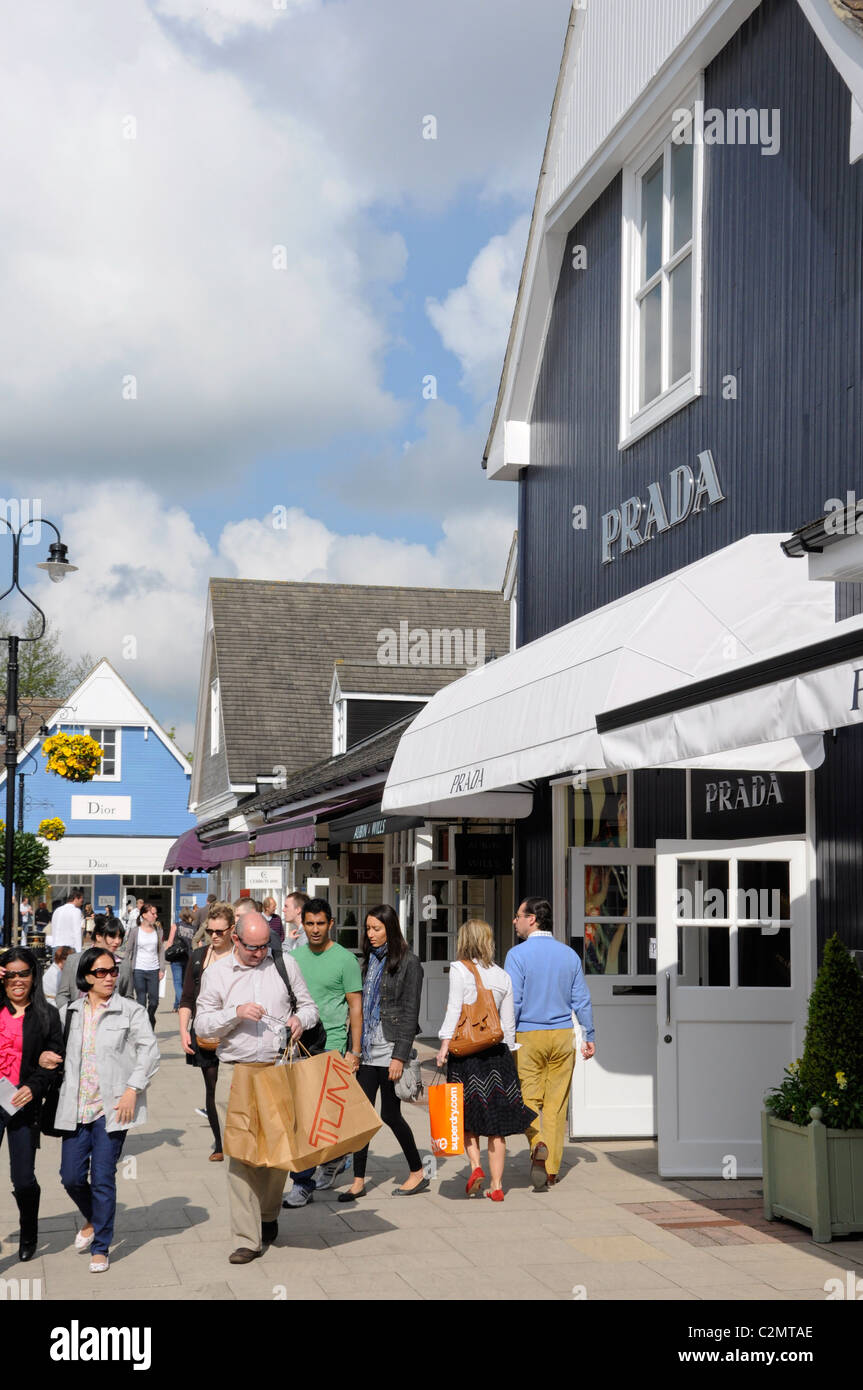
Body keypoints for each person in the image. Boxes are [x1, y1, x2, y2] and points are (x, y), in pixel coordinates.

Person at [194, 911, 318, 1264]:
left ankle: (267, 1214)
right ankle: (247, 1238)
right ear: (235, 938)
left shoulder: (284, 964)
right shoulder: (217, 973)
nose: (259, 953)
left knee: (278, 1153)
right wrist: (235, 1012)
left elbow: (310, 1007)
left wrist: (300, 1020)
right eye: (252, 948)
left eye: (265, 946)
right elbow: (203, 1024)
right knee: (242, 1155)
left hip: (280, 1070)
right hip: (238, 1072)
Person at [51, 946, 159, 1272]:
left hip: (112, 1109)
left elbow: (149, 1052)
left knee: (102, 1177)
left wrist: (132, 1090)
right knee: (70, 1176)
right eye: (101, 972)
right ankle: (94, 1218)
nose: (110, 977)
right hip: (75, 1106)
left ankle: (102, 1245)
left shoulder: (130, 1011)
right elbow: (47, 1047)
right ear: (86, 976)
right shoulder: (68, 1013)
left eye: (113, 971)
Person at [436, 920, 535, 1202]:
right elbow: (508, 1023)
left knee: (467, 1116)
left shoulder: (459, 969)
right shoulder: (503, 976)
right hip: (497, 1054)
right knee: (496, 1125)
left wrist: (444, 1044)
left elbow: (455, 1009)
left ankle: (476, 1167)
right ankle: (497, 1185)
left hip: (467, 1055)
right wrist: (509, 1054)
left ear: (464, 940)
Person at [504, 898, 596, 1191]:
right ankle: (553, 1169)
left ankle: (537, 1143)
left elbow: (514, 1001)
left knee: (528, 1099)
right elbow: (581, 999)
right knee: (556, 1105)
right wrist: (589, 1035)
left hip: (528, 1036)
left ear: (532, 919)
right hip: (562, 1034)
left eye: (518, 916)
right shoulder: (569, 955)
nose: (515, 921)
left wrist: (506, 1039)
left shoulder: (517, 955)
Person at [338, 904, 426, 1203]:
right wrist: (354, 1047)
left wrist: (400, 1056)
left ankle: (417, 1170)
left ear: (390, 928)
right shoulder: (367, 962)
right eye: (368, 928)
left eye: (376, 928)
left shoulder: (409, 963)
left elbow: (411, 1011)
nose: (370, 934)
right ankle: (358, 1180)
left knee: (390, 1114)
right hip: (365, 1049)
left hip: (389, 1049)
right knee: (362, 1116)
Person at [283, 897, 362, 1206]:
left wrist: (354, 1051)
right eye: (309, 924)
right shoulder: (293, 958)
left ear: (331, 924)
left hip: (333, 1046)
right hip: (301, 1044)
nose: (315, 930)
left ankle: (327, 1164)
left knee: (324, 1116)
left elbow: (355, 1008)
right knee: (302, 1118)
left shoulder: (345, 959)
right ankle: (305, 1181)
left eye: (320, 924)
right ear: (302, 925)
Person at [0, 946, 64, 1261]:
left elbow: (54, 1063)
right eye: (9, 973)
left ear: (33, 976)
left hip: (23, 1105)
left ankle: (29, 1232)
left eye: (23, 973)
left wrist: (34, 1085)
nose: (16, 980)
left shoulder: (47, 1015)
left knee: (23, 1178)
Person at [178, 902, 235, 1162]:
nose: (214, 935)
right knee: (212, 1089)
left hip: (236, 1032)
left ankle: (236, 1137)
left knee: (236, 1089)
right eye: (210, 930)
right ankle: (220, 1142)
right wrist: (183, 1030)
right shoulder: (199, 957)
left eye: (220, 931)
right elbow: (188, 997)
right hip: (205, 1033)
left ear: (232, 930)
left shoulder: (241, 956)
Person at [56, 917, 126, 1011]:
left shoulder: (124, 964)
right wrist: (71, 1015)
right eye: (112, 936)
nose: (117, 941)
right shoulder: (73, 960)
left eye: (120, 937)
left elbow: (128, 998)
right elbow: (62, 995)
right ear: (98, 936)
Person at [120, 903, 165, 1028]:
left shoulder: (158, 930)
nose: (155, 916)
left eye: (156, 913)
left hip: (154, 970)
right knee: (141, 1001)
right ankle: (143, 1026)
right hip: (138, 969)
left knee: (154, 1001)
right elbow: (128, 950)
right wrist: (125, 967)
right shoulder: (135, 931)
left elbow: (161, 950)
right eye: (153, 913)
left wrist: (162, 969)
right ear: (144, 915)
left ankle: (150, 1018)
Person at [167, 908, 194, 1011]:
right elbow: (197, 943)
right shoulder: (193, 928)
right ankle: (176, 1005)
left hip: (176, 957)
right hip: (188, 957)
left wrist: (166, 953)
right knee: (183, 982)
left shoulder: (175, 926)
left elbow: (169, 941)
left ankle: (184, 1005)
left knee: (177, 983)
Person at [50, 887, 85, 953]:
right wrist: (78, 951)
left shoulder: (57, 910)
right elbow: (77, 931)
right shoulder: (76, 911)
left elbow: (53, 928)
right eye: (81, 901)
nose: (82, 903)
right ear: (76, 899)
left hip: (55, 947)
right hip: (68, 948)